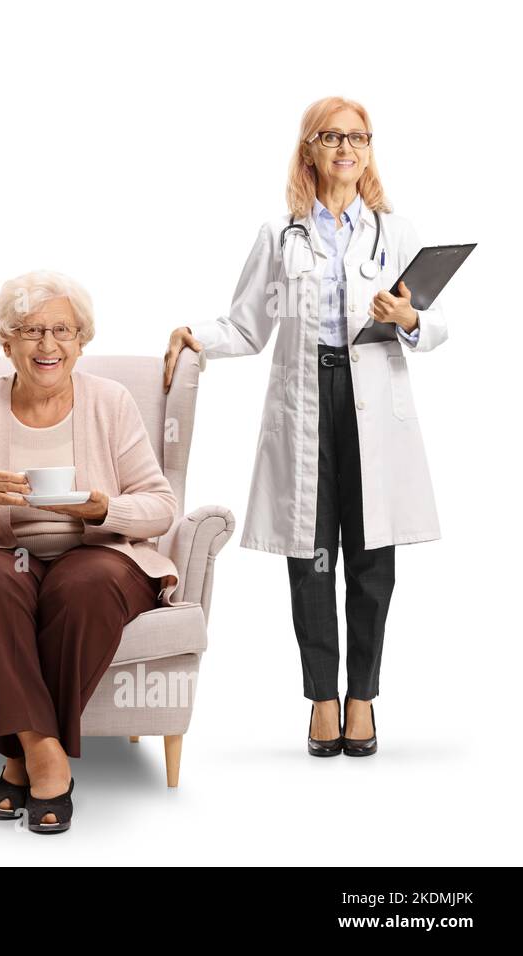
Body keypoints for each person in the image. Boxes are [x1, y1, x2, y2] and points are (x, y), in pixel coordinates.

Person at [163, 95, 447, 758]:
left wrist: (406, 320)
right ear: (310, 149)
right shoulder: (280, 234)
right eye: (330, 137)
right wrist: (193, 335)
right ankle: (322, 697)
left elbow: (432, 326)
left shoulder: (395, 233)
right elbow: (246, 327)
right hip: (306, 400)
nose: (345, 149)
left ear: (369, 149)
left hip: (374, 399)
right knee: (312, 552)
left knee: (373, 555)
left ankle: (363, 700)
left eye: (357, 137)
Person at [0, 271, 180, 833]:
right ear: (6, 343)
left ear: (81, 341)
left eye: (62, 330)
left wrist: (105, 510)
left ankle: (16, 756)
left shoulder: (111, 401)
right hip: (4, 557)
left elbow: (161, 506)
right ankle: (44, 753)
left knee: (83, 582)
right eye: (31, 331)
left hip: (98, 553)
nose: (48, 345)